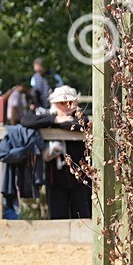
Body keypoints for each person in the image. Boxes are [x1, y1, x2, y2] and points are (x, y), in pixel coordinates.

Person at [43, 85, 91, 219]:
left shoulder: (80, 117)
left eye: (69, 102)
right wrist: (56, 120)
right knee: (57, 217)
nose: (66, 105)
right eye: (61, 103)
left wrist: (59, 123)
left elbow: (81, 124)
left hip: (80, 179)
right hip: (55, 179)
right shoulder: (49, 117)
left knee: (82, 216)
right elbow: (27, 121)